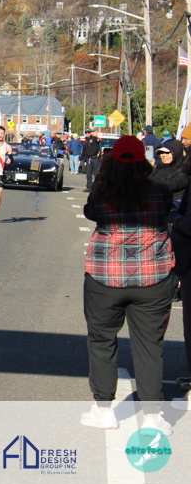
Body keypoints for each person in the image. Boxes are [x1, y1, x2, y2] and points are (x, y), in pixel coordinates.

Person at [79, 135, 176, 435]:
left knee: (102, 341)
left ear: (112, 161)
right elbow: (167, 213)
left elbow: (91, 213)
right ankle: (152, 417)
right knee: (149, 345)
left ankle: (104, 410)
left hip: (105, 277)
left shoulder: (102, 192)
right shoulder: (161, 192)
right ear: (144, 161)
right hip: (153, 278)